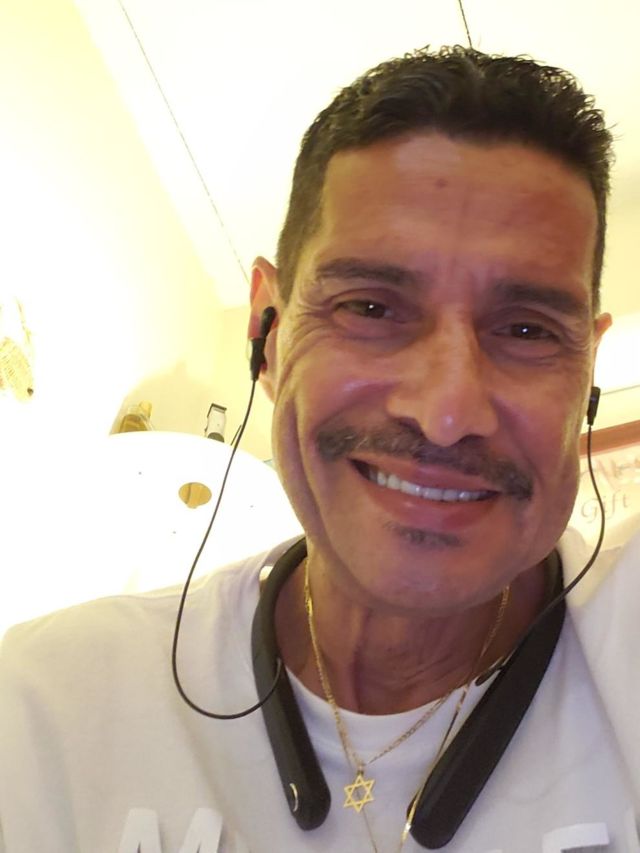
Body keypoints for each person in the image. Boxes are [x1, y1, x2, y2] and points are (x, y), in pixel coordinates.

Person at [1, 44, 639, 853]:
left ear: (587, 369)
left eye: (526, 330)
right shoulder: (44, 708)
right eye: (371, 307)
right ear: (267, 333)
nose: (447, 413)